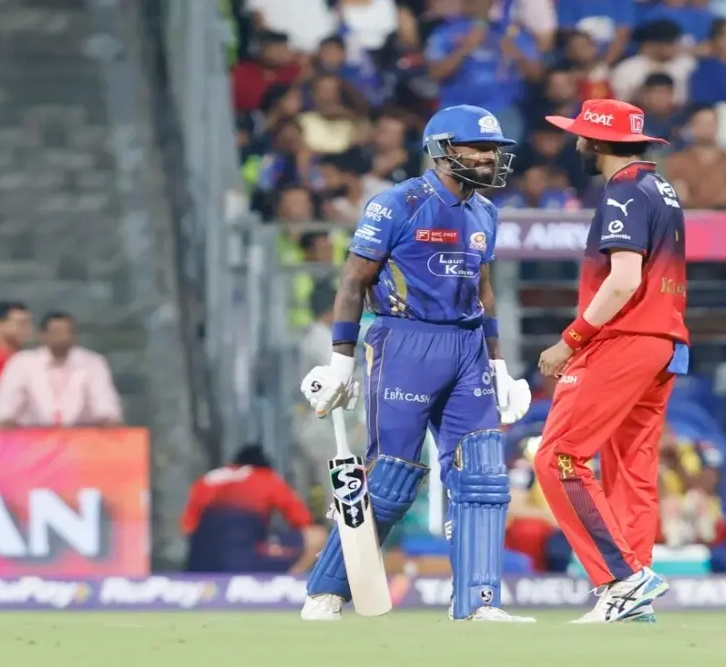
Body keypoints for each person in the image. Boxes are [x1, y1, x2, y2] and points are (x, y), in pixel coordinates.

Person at [298, 104, 534, 623]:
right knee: (392, 480)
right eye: (479, 148)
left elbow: (484, 293)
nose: (491, 159)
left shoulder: (485, 213)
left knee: (483, 477)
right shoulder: (397, 204)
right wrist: (341, 361)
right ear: (444, 150)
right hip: (404, 342)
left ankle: (477, 602)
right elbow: (353, 281)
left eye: (495, 150)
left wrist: (498, 367)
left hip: (468, 347)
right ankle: (327, 592)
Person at [533, 98, 689, 624]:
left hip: (622, 339)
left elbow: (624, 279)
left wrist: (571, 340)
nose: (575, 141)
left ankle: (623, 579)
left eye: (580, 134)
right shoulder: (661, 188)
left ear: (597, 142)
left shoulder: (623, 190)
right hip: (663, 342)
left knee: (558, 458)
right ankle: (631, 595)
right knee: (631, 470)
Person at [182, 444, 326, 574]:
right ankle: (292, 582)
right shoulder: (266, 476)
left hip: (200, 564)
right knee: (317, 535)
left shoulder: (208, 479)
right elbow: (303, 520)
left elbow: (188, 526)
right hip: (245, 563)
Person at [0, 311, 122, 428]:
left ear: (75, 336)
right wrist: (5, 422)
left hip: (82, 439)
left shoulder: (93, 363)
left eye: (67, 332)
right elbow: (5, 408)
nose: (62, 337)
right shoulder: (21, 363)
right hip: (31, 441)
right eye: (56, 332)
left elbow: (105, 405)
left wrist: (109, 421)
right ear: (42, 335)